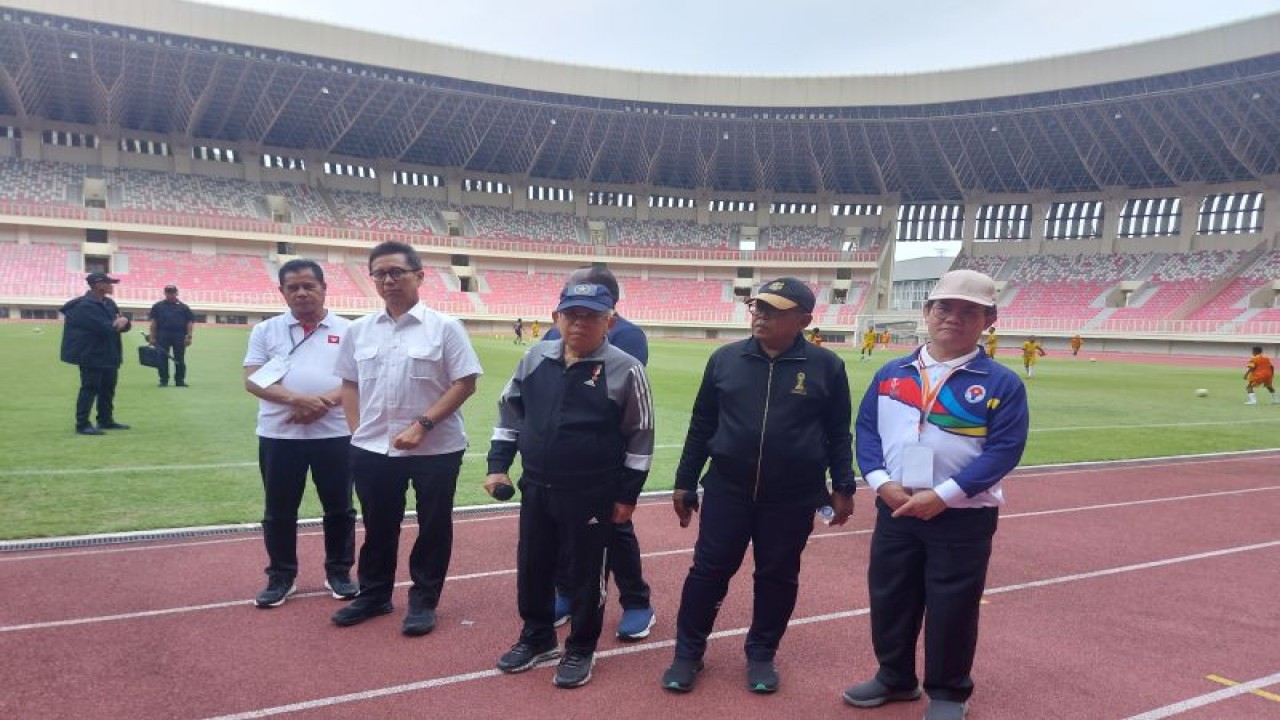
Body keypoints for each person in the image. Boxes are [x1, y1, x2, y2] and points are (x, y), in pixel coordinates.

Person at [842, 268, 1029, 720]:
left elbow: (1004, 451)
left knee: (952, 604)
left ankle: (948, 691)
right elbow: (866, 431)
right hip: (896, 507)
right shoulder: (891, 373)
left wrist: (944, 495)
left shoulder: (1002, 383)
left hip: (962, 516)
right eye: (945, 307)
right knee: (890, 596)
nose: (954, 317)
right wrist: (879, 482)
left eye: (970, 311)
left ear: (990, 320)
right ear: (927, 312)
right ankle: (895, 677)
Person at [662, 277, 856, 695]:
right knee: (708, 572)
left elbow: (839, 432)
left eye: (773, 310)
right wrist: (684, 483)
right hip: (727, 490)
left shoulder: (826, 367)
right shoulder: (724, 360)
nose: (761, 315)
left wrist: (843, 485)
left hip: (792, 496)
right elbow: (701, 426)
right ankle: (687, 653)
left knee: (778, 575)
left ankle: (762, 653)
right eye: (757, 307)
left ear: (803, 319)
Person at [486, 281, 655, 688]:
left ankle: (581, 646)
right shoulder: (534, 358)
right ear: (556, 317)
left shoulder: (625, 368)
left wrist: (627, 495)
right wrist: (498, 466)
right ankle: (538, 635)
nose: (581, 323)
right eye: (573, 314)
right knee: (533, 565)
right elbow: (510, 412)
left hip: (592, 493)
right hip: (537, 487)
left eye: (592, 316)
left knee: (585, 574)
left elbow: (641, 436)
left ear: (609, 321)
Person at [331, 241, 483, 636]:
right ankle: (374, 594)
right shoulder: (359, 330)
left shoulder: (445, 328)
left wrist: (422, 425)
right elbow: (349, 382)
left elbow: (465, 383)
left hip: (436, 448)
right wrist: (356, 430)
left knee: (433, 525)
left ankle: (423, 600)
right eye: (379, 273)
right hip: (372, 447)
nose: (387, 280)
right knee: (378, 524)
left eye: (396, 271)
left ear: (419, 275)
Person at [541, 265, 655, 639]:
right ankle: (565, 591)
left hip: (607, 461)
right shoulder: (554, 331)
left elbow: (615, 390)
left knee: (616, 533)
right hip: (559, 462)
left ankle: (637, 602)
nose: (574, 311)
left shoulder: (628, 337)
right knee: (558, 532)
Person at [243, 259, 358, 608]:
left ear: (324, 288)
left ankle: (339, 573)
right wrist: (300, 400)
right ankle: (281, 577)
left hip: (336, 433)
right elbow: (253, 378)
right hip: (280, 435)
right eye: (293, 287)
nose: (302, 292)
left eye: (309, 285)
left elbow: (359, 378)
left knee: (339, 509)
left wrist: (319, 405)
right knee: (279, 510)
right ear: (282, 292)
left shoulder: (351, 329)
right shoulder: (266, 331)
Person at [59, 272, 132, 435]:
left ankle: (105, 420)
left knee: (108, 388)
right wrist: (118, 323)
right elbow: (104, 328)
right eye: (109, 283)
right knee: (90, 388)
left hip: (109, 352)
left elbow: (120, 324)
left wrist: (124, 323)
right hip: (91, 354)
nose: (112, 285)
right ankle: (82, 424)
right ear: (98, 285)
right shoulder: (84, 306)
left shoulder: (109, 302)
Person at [148, 284, 195, 387]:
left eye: (172, 292)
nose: (170, 294)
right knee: (162, 358)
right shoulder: (158, 306)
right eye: (168, 292)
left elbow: (189, 323)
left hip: (179, 335)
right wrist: (152, 336)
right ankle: (163, 380)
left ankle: (180, 380)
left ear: (176, 293)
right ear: (165, 293)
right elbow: (153, 322)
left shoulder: (184, 307)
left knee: (180, 358)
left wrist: (189, 336)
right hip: (163, 334)